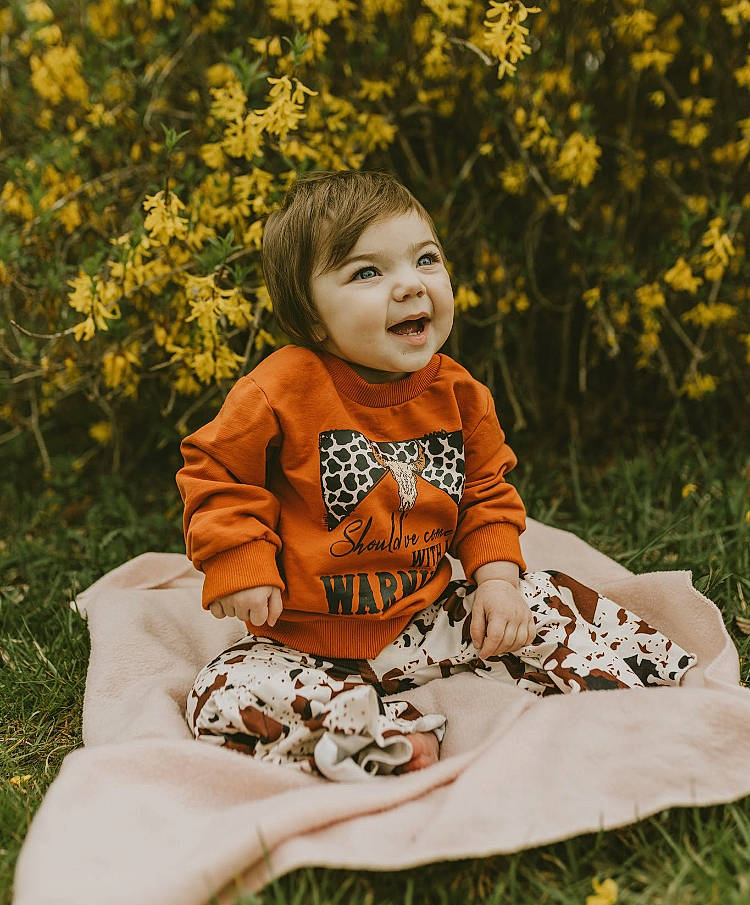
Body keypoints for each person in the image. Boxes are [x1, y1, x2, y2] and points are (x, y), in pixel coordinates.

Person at [177, 169, 697, 783]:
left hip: (428, 620)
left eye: (425, 259)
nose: (409, 284)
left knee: (550, 601)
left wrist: (497, 582)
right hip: (299, 640)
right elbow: (215, 474)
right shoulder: (277, 389)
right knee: (218, 695)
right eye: (367, 272)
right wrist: (240, 561)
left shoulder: (460, 395)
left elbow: (486, 494)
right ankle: (384, 737)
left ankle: (660, 689)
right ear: (311, 317)